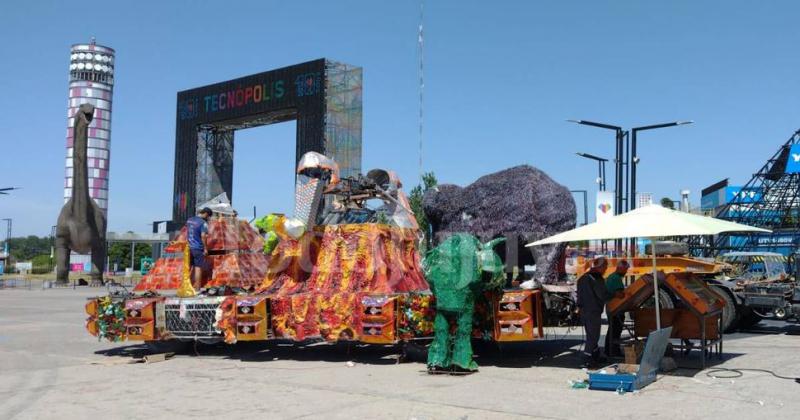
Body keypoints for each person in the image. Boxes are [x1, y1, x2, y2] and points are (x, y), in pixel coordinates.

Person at [576, 256, 610, 368]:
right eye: (605, 267)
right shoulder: (597, 279)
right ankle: (586, 359)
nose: (605, 270)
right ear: (600, 267)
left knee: (591, 334)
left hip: (584, 311)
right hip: (593, 311)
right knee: (593, 336)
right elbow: (602, 295)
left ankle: (595, 354)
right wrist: (614, 295)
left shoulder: (582, 278)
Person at [604, 260, 629, 357]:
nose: (626, 272)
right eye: (625, 269)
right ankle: (612, 351)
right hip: (615, 308)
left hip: (612, 307)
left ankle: (610, 350)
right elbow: (619, 294)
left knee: (613, 329)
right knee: (615, 330)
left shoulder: (612, 277)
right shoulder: (615, 278)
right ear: (620, 268)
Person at [186, 207, 212, 289]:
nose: (208, 218)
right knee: (198, 268)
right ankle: (197, 287)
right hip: (197, 248)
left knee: (188, 268)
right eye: (208, 217)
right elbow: (203, 236)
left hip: (188, 247)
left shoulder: (189, 220)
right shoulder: (203, 223)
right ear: (206, 214)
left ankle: (187, 286)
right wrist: (205, 248)